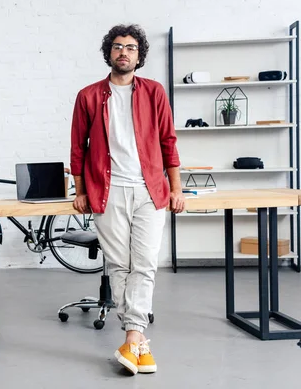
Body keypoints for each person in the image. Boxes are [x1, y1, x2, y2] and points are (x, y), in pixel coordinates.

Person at [69, 24, 185, 375]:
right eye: (118, 47)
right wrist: (81, 190)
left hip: (150, 190)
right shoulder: (89, 96)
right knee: (119, 265)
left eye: (131, 47)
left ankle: (133, 338)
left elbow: (168, 141)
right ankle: (139, 343)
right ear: (109, 53)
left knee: (145, 264)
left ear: (139, 55)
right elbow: (78, 147)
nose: (124, 52)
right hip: (108, 190)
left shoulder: (154, 92)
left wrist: (176, 188)